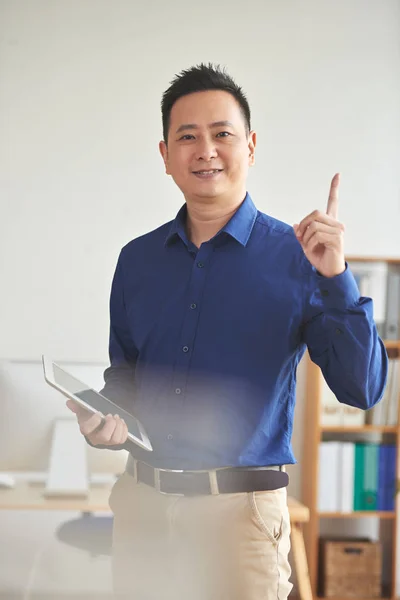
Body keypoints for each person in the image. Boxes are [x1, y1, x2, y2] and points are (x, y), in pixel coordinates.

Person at [67, 63, 388, 599]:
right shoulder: (137, 260)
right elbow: (125, 375)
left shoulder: (299, 256)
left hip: (239, 519)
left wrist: (337, 278)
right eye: (187, 136)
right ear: (165, 155)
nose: (206, 150)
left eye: (222, 135)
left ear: (251, 146)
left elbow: (363, 389)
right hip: (143, 509)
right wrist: (105, 417)